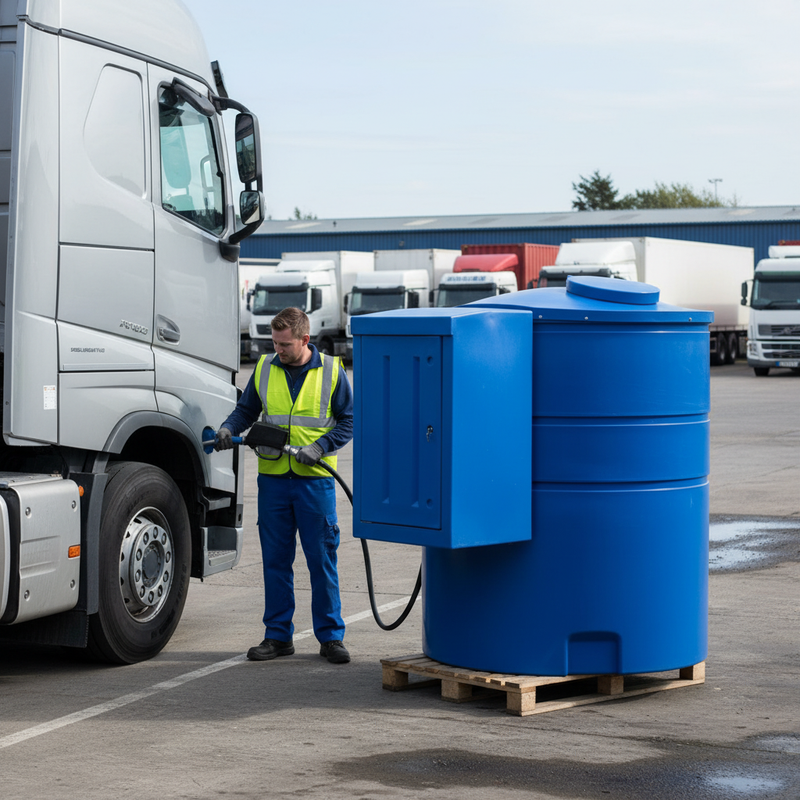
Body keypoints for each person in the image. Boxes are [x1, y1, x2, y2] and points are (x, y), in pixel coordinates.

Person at [215, 307, 353, 664]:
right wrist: (229, 428)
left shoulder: (332, 371)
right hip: (274, 481)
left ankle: (331, 637)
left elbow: (349, 421)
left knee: (321, 560)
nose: (278, 350)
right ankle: (277, 636)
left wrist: (319, 447)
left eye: (285, 344)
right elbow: (246, 410)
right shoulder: (264, 368)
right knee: (276, 561)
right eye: (275, 343)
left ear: (305, 339)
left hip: (314, 482)